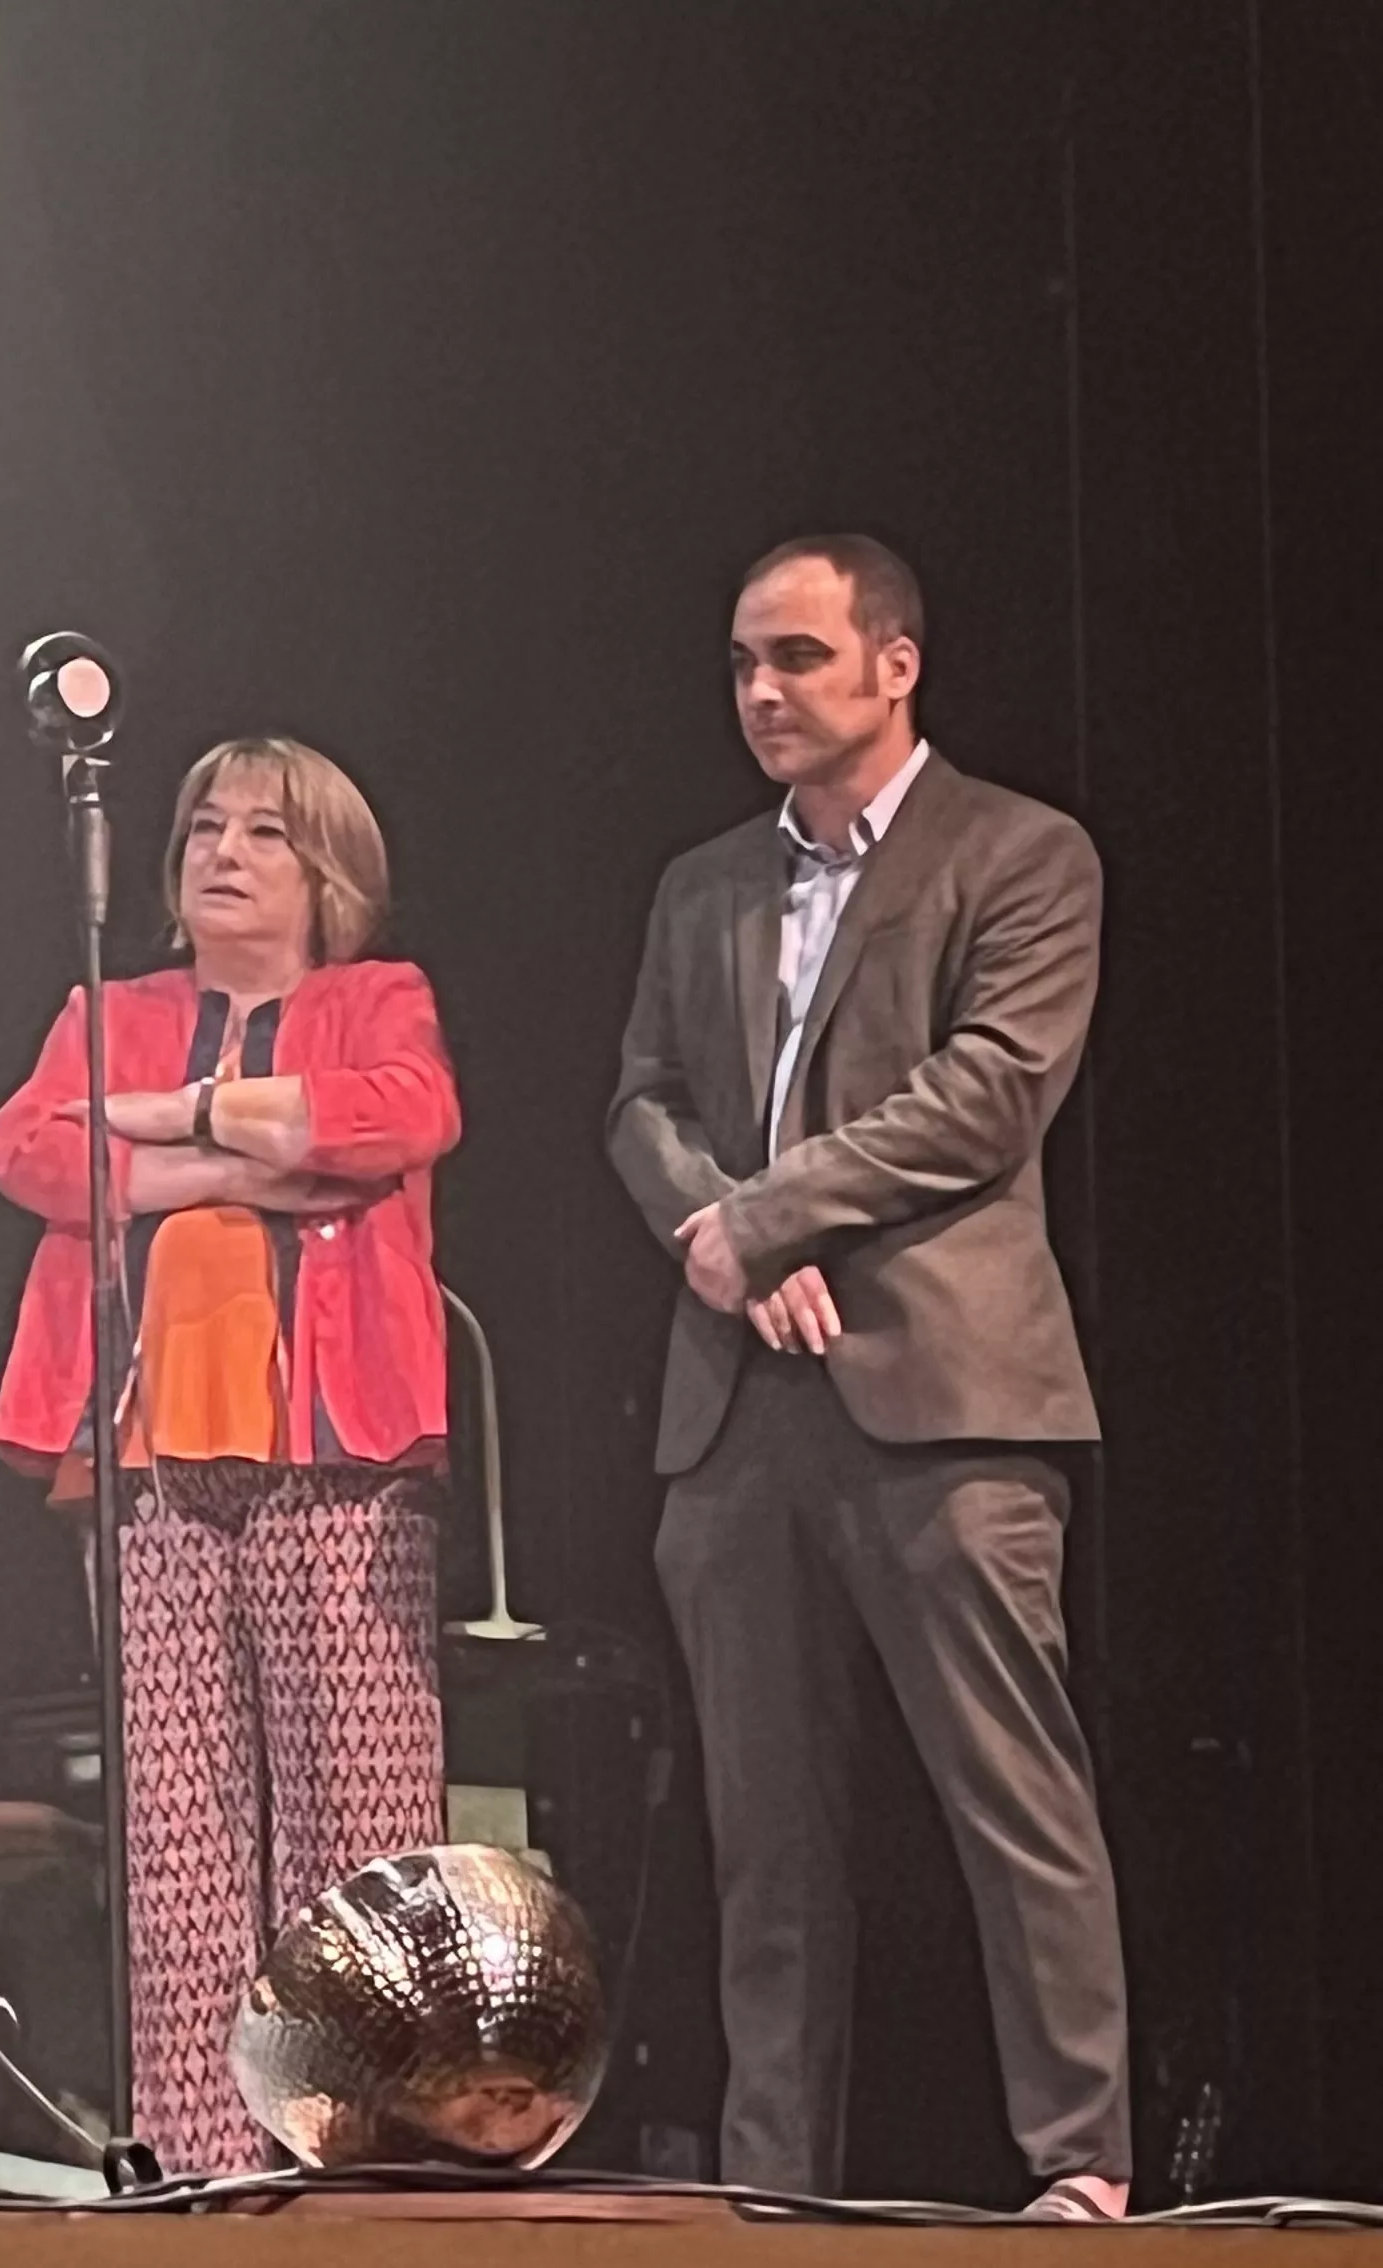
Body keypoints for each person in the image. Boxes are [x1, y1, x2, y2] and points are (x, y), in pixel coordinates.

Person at [606, 534, 1128, 2218]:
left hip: (948, 1404)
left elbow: (989, 1093)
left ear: (896, 665)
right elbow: (642, 1102)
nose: (762, 692)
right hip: (741, 1411)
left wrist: (756, 1223)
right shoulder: (702, 885)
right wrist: (720, 1242)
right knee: (766, 1844)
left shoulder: (1022, 852)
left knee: (1012, 1800)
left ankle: (1083, 2168)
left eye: (800, 660)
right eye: (745, 663)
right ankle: (776, 2193)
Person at [0, 735, 459, 2176]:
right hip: (144, 1458)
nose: (223, 851)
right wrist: (237, 1154)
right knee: (177, 1836)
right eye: (203, 825)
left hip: (339, 1461)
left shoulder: (376, 997)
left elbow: (397, 1118)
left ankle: (365, 2154)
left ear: (329, 876)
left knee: (355, 1813)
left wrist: (167, 1122)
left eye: (264, 831)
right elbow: (28, 1150)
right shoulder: (108, 1008)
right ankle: (203, 2166)